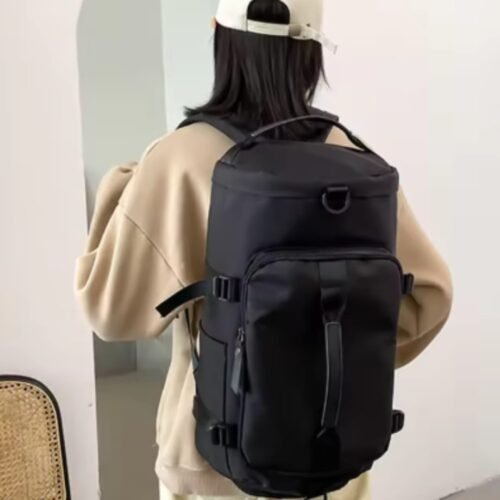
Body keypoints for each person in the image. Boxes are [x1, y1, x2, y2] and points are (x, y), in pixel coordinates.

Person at [74, 1, 453, 499]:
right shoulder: (351, 158)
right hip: (331, 460)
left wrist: (121, 187)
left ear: (219, 36)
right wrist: (339, 353)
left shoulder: (176, 161)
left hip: (215, 462)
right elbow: (431, 295)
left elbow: (109, 313)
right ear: (313, 51)